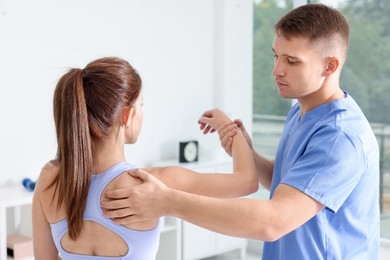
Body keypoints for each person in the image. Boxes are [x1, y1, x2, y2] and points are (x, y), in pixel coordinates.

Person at [101, 4, 380, 259]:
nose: (276, 70)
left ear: (330, 65)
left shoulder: (340, 137)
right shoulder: (301, 112)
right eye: (276, 56)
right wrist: (246, 150)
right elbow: (285, 182)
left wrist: (166, 202)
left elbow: (273, 221)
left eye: (292, 61)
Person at [32, 57, 258, 259]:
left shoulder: (49, 179)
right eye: (141, 105)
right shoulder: (154, 184)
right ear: (126, 116)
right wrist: (230, 130)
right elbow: (246, 182)